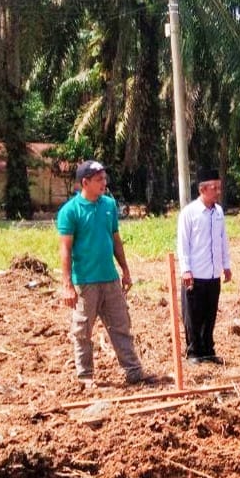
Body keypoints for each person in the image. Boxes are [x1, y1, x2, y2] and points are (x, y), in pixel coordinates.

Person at [57, 159, 154, 385]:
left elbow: (115, 240)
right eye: (99, 179)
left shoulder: (109, 205)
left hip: (110, 279)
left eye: (104, 178)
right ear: (85, 182)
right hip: (85, 282)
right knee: (82, 331)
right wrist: (67, 284)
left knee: (121, 326)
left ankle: (133, 371)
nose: (104, 183)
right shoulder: (70, 212)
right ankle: (85, 376)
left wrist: (125, 270)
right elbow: (65, 248)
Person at [177, 168, 233, 364]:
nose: (218, 191)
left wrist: (226, 265)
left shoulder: (218, 212)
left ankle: (208, 350)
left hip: (212, 272)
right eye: (214, 187)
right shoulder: (189, 213)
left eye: (219, 187)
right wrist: (185, 269)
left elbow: (222, 239)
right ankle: (193, 352)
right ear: (202, 189)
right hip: (195, 272)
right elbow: (183, 243)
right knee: (193, 315)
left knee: (210, 313)